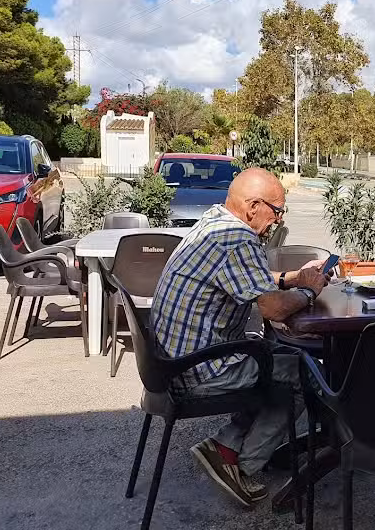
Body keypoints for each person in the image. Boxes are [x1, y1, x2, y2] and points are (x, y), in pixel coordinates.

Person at [150, 167, 327, 507]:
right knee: (305, 371)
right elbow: (274, 310)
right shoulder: (238, 238)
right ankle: (242, 467)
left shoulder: (214, 223)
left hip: (172, 363)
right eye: (277, 210)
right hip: (198, 371)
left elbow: (244, 276)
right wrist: (308, 292)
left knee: (275, 357)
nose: (278, 219)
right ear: (253, 207)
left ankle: (225, 446)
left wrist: (291, 278)